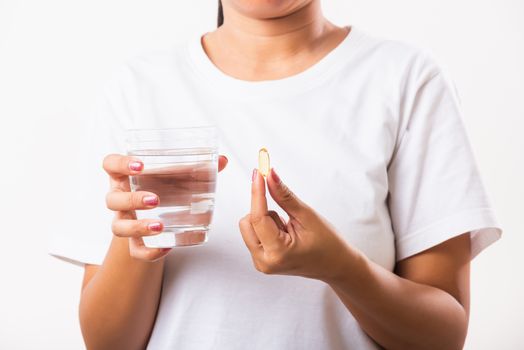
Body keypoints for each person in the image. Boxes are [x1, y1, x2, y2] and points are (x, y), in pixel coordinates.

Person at [49, 0, 503, 349]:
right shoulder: (140, 87)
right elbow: (108, 343)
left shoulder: (405, 80)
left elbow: (443, 337)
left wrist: (341, 269)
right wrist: (141, 245)